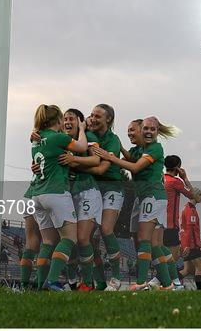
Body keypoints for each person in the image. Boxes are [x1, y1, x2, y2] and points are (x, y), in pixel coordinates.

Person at [94, 116, 177, 290]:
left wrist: (108, 156)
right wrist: (118, 146)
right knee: (147, 243)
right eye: (129, 130)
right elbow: (131, 157)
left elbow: (135, 167)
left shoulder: (155, 148)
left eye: (134, 130)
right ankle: (169, 283)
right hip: (142, 197)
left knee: (145, 239)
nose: (130, 133)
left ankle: (141, 283)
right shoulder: (140, 149)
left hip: (153, 196)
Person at [30, 104, 88, 291]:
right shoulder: (58, 137)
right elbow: (81, 147)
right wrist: (83, 130)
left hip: (38, 194)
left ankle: (41, 285)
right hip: (56, 192)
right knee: (69, 238)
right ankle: (53, 282)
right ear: (58, 120)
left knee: (47, 241)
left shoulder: (36, 140)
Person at [58, 108, 102, 292]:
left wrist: (73, 159)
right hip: (68, 195)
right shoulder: (60, 139)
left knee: (83, 238)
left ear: (80, 122)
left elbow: (95, 161)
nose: (68, 122)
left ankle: (88, 282)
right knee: (71, 241)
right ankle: (72, 280)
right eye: (65, 118)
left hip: (88, 192)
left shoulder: (89, 137)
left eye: (72, 119)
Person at [81, 104, 124, 291]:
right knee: (88, 238)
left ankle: (115, 277)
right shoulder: (85, 136)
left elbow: (103, 168)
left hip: (112, 187)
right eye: (91, 115)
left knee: (106, 229)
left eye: (98, 116)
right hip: (93, 188)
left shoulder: (113, 140)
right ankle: (96, 282)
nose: (93, 118)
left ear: (109, 120)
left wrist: (75, 164)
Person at [149, 155, 198, 290]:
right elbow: (194, 196)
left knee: (163, 254)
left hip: (157, 222)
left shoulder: (160, 179)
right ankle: (156, 281)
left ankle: (162, 282)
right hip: (170, 224)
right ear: (178, 167)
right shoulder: (175, 181)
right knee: (174, 256)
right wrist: (185, 178)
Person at [179, 190, 201, 290]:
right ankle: (200, 291)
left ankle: (169, 284)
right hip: (192, 245)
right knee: (200, 266)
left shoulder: (186, 208)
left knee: (187, 270)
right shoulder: (191, 210)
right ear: (193, 196)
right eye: (199, 194)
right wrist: (189, 246)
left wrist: (184, 245)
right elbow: (190, 229)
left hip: (186, 243)